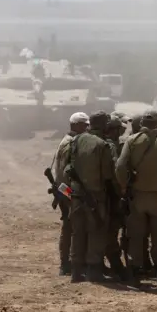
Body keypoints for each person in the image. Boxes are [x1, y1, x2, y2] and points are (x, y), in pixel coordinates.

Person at [115, 109, 157, 289]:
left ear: (142, 123)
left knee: (136, 237)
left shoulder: (132, 140)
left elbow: (120, 166)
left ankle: (136, 278)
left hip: (137, 196)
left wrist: (124, 187)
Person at [63, 111, 116, 283]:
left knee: (78, 233)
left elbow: (68, 167)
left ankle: (76, 272)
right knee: (96, 232)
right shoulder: (102, 144)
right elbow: (108, 175)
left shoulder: (76, 140)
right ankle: (94, 270)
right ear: (103, 125)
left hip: (77, 195)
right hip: (96, 196)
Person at [53, 112, 89, 276]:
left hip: (63, 190)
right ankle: (67, 264)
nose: (86, 128)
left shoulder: (66, 141)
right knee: (72, 227)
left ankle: (67, 263)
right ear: (74, 125)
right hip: (67, 191)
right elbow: (66, 173)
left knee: (70, 227)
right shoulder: (70, 143)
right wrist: (71, 195)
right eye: (83, 125)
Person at [102, 116, 127, 280]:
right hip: (111, 194)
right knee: (111, 231)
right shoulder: (110, 146)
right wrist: (121, 191)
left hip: (105, 193)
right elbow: (116, 170)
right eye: (120, 129)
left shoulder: (103, 143)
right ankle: (116, 264)